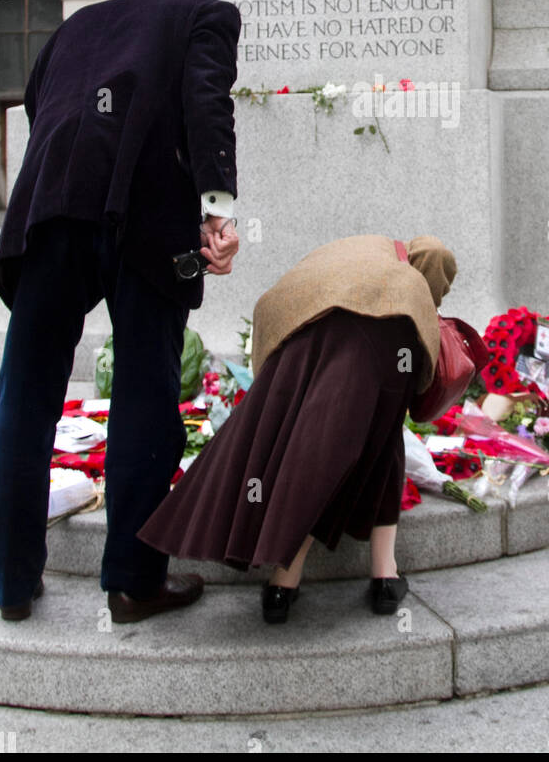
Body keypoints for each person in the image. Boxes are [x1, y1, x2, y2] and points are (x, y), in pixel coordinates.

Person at [0, 0, 241, 623]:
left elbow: (41, 102)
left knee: (26, 391)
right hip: (144, 215)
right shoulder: (202, 13)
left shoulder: (75, 29)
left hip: (51, 207)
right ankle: (132, 584)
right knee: (146, 393)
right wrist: (217, 211)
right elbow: (206, 100)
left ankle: (14, 585)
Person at [139, 233, 456, 623]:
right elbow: (424, 372)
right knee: (382, 441)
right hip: (387, 344)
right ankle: (385, 577)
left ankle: (282, 584)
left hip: (307, 330)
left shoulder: (359, 249)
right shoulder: (408, 286)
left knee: (312, 450)